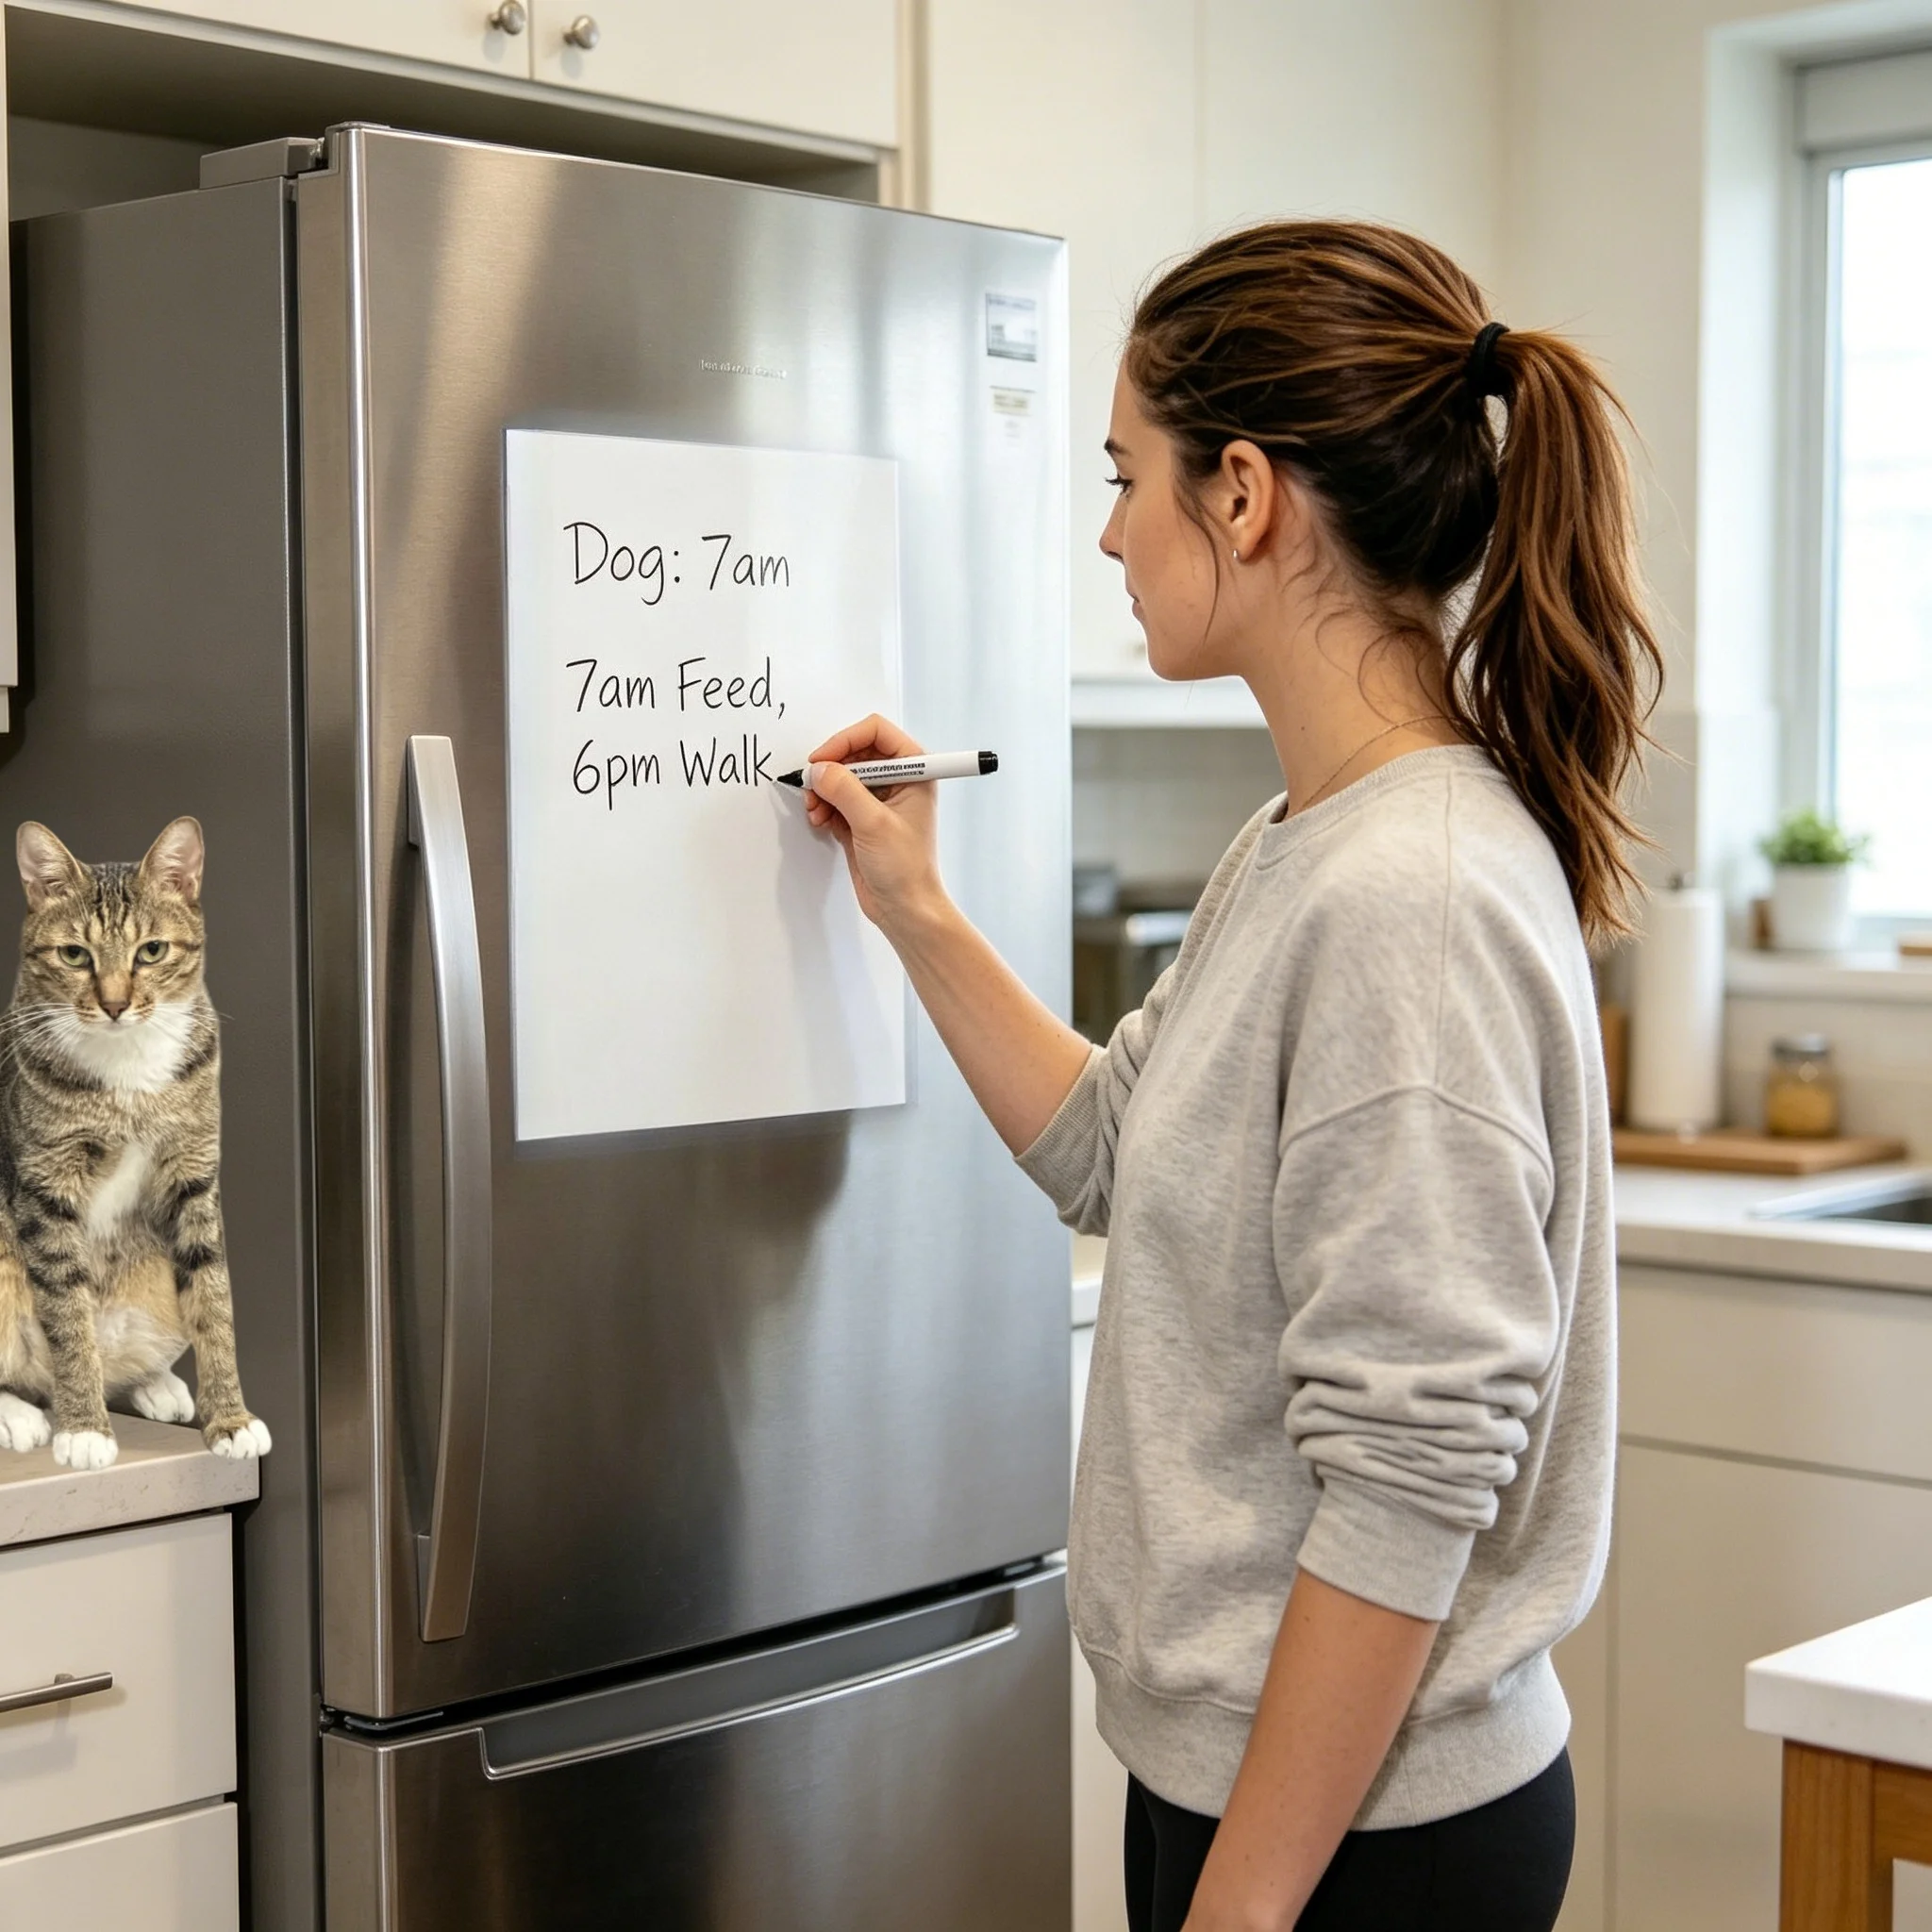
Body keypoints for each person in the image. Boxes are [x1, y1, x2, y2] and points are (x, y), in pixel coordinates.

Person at [802, 220, 1656, 1932]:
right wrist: (911, 907)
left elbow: (1411, 1474)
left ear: (1247, 494)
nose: (1110, 532)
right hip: (1266, 1801)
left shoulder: (1406, 898)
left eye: (1128, 476)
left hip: (1352, 1847)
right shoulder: (1307, 840)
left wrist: (1246, 1909)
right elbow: (1118, 1145)